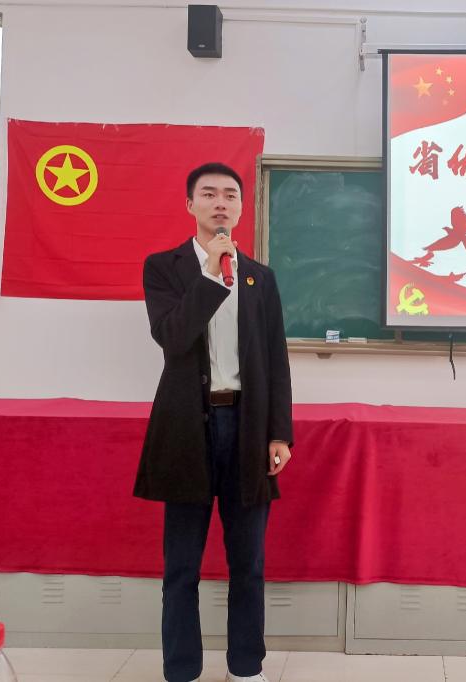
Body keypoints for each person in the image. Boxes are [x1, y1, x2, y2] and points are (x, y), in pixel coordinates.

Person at [133, 162, 293, 682]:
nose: (220, 202)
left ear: (242, 208)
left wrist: (279, 433)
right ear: (190, 204)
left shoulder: (260, 278)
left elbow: (275, 359)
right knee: (181, 567)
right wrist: (209, 274)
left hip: (247, 430)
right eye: (209, 194)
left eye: (230, 195)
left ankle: (245, 667)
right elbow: (172, 337)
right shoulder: (164, 268)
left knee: (248, 564)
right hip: (189, 430)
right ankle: (181, 670)